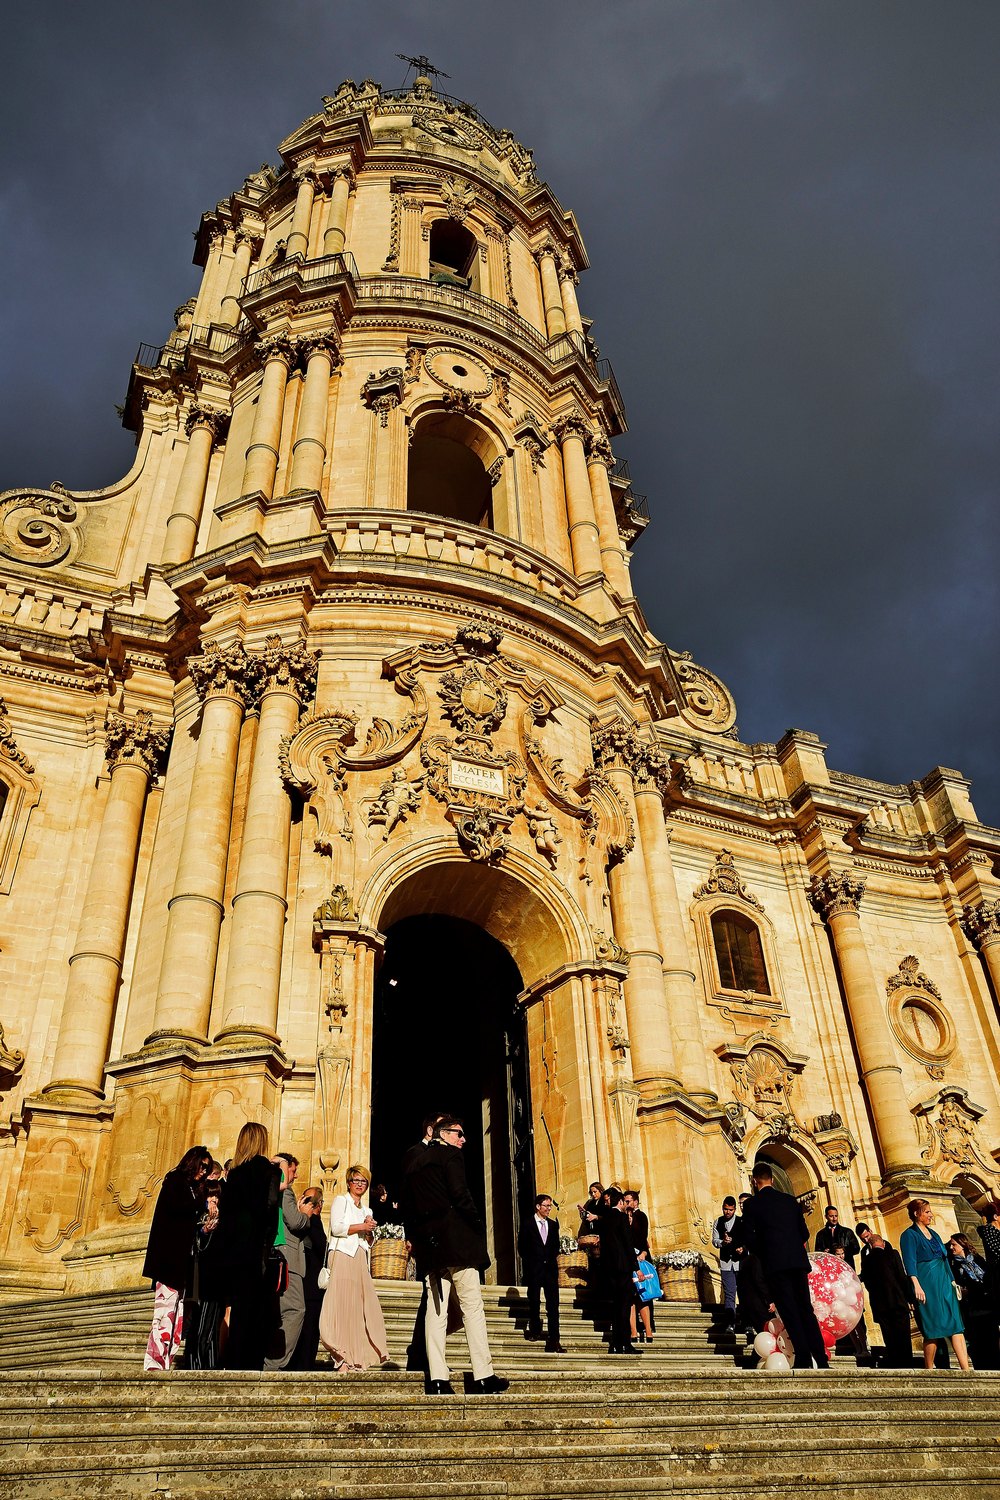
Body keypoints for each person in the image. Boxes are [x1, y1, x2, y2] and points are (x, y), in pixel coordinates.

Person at [404, 1116, 507, 1395]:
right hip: (457, 1243)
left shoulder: (416, 1164)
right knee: (472, 1307)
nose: (463, 1139)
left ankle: (437, 1379)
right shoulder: (450, 1155)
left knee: (435, 1313)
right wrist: (476, 1223)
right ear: (444, 1134)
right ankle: (484, 1375)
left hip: (431, 1248)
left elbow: (411, 1209)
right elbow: (460, 1194)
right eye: (459, 1133)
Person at [739, 1161, 828, 1369]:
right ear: (771, 1178)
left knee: (789, 1311)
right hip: (797, 1261)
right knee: (806, 1309)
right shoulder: (790, 1201)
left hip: (775, 1265)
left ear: (754, 1181)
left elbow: (747, 1237)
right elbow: (804, 1233)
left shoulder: (752, 1204)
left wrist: (765, 1251)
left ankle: (804, 1357)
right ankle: (821, 1358)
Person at [217, 1121, 282, 1371]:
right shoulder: (269, 1172)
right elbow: (269, 1212)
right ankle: (252, 1363)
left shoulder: (234, 1174)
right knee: (258, 1311)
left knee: (240, 1310)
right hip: (257, 1252)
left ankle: (234, 1362)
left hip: (234, 1253)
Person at [141, 1145, 212, 1371]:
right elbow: (177, 1209)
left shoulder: (191, 1188)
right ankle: (154, 1363)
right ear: (192, 1161)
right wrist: (203, 1204)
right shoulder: (175, 1181)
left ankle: (166, 1360)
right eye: (202, 1165)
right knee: (164, 1313)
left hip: (182, 1264)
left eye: (207, 1168)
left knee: (177, 1315)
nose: (204, 1171)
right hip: (168, 1262)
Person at [319, 1163, 389, 1371]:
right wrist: (362, 1227)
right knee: (341, 1307)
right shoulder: (342, 1201)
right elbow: (337, 1228)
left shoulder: (367, 1209)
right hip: (342, 1256)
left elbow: (367, 1241)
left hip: (359, 1258)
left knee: (359, 1309)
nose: (359, 1184)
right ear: (349, 1183)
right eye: (356, 1180)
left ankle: (356, 1357)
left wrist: (369, 1232)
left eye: (363, 1181)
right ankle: (341, 1357)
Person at [399, 1112, 446, 1374]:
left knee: (434, 1298)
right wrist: (410, 1235)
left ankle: (420, 1352)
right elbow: (409, 1195)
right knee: (431, 1295)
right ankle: (420, 1354)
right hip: (425, 1234)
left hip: (442, 1235)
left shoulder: (445, 1155)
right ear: (430, 1130)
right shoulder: (414, 1153)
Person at [900, 1199, 970, 1370]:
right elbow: (909, 1261)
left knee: (956, 1324)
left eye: (930, 1211)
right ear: (917, 1214)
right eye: (927, 1212)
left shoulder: (935, 1234)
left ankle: (966, 1369)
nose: (931, 1215)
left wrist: (953, 1282)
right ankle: (929, 1369)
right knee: (932, 1327)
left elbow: (944, 1259)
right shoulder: (909, 1235)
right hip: (926, 1283)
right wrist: (916, 1284)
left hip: (944, 1281)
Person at [264, 1151, 311, 1370]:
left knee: (279, 1310)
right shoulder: (286, 1192)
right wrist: (305, 1214)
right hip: (288, 1256)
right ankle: (274, 1363)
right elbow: (295, 1222)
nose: (295, 1174)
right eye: (293, 1169)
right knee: (295, 1309)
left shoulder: (267, 1188)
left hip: (273, 1253)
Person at [856, 1223, 913, 1368]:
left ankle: (896, 1360)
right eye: (863, 1239)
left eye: (867, 1237)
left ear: (870, 1233)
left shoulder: (870, 1258)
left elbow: (867, 1280)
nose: (866, 1241)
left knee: (889, 1334)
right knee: (902, 1335)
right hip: (897, 1299)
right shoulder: (892, 1253)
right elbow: (901, 1276)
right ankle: (904, 1361)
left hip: (880, 1302)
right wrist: (909, 1298)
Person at [815, 1206, 868, 1361]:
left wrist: (844, 1250)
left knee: (855, 1311)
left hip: (846, 1276)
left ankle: (862, 1344)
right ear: (826, 1216)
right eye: (831, 1216)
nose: (834, 1218)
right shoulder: (821, 1234)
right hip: (831, 1279)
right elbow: (818, 1252)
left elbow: (856, 1248)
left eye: (836, 1215)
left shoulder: (847, 1232)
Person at [184, 1177, 226, 1369]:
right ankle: (197, 1365)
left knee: (210, 1327)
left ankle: (208, 1366)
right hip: (200, 1281)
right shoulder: (197, 1217)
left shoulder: (223, 1218)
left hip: (215, 1281)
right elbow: (195, 1244)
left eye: (216, 1195)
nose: (214, 1200)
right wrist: (204, 1230)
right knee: (198, 1327)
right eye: (210, 1195)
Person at [595, 1187, 640, 1355]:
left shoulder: (605, 1219)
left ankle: (615, 1344)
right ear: (620, 1202)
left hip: (609, 1269)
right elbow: (628, 1244)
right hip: (622, 1268)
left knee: (615, 1307)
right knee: (624, 1306)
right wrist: (636, 1268)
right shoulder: (621, 1218)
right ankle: (625, 1343)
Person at [518, 1193, 564, 1352]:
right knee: (534, 1301)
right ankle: (535, 1330)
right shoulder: (527, 1224)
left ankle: (554, 1339)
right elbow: (522, 1247)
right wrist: (532, 1261)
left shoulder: (553, 1225)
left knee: (553, 1305)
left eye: (550, 1206)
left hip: (550, 1270)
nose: (549, 1209)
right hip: (534, 1269)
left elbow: (556, 1245)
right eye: (546, 1206)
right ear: (538, 1207)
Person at [289, 1186, 327, 1371]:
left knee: (310, 1327)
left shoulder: (315, 1222)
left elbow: (322, 1247)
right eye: (304, 1199)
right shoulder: (299, 1220)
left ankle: (304, 1364)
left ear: (318, 1206)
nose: (307, 1204)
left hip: (311, 1284)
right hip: (300, 1281)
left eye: (310, 1201)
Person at [948, 1232, 996, 1370]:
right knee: (977, 1340)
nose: (951, 1247)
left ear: (962, 1245)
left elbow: (989, 1277)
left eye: (954, 1244)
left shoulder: (977, 1259)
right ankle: (982, 1366)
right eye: (951, 1245)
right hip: (971, 1308)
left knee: (991, 1337)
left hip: (987, 1305)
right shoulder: (953, 1265)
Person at [624, 1188, 654, 1343]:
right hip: (628, 1259)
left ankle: (648, 1331)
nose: (626, 1204)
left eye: (628, 1201)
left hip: (641, 1257)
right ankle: (633, 1332)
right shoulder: (623, 1217)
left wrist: (643, 1252)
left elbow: (643, 1236)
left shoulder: (641, 1216)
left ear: (635, 1202)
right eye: (625, 1201)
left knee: (642, 1296)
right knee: (631, 1297)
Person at [712, 1196, 741, 1330]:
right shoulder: (718, 1221)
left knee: (742, 1292)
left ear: (734, 1209)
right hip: (726, 1263)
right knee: (729, 1293)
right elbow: (714, 1240)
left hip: (740, 1263)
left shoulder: (741, 1221)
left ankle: (746, 1321)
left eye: (730, 1210)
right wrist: (722, 1243)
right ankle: (730, 1322)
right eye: (725, 1209)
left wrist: (742, 1248)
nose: (727, 1212)